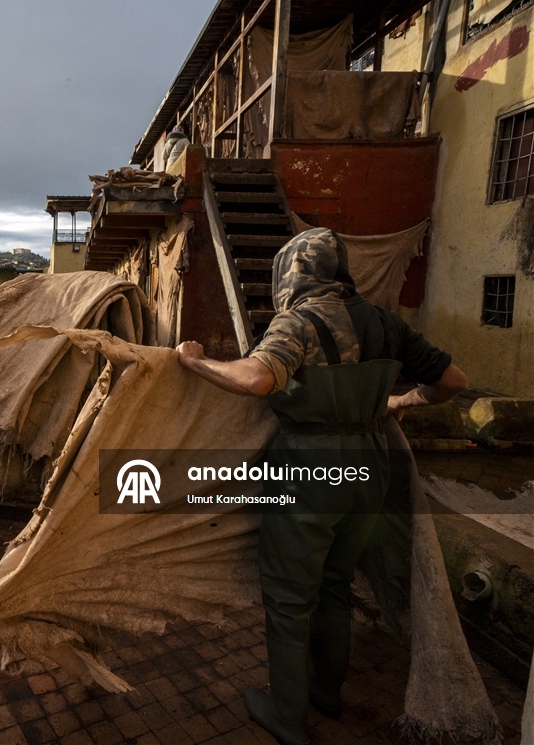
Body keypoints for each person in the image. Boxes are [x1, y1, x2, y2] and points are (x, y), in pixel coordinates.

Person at [176, 228, 467, 745]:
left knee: (289, 599)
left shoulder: (298, 321)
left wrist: (195, 361)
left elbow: (257, 379)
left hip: (310, 470)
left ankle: (286, 717)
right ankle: (326, 693)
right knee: (336, 584)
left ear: (290, 273)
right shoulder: (387, 323)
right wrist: (400, 402)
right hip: (370, 468)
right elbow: (454, 382)